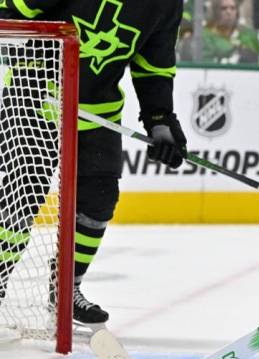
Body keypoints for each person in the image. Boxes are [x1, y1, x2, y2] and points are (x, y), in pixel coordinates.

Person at [0, 0, 188, 326]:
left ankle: (66, 287)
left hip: (98, 112)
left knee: (99, 201)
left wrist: (159, 119)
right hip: (36, 96)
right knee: (21, 196)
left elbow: (153, 65)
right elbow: (15, 9)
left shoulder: (166, 3)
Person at [200, 0, 259, 65]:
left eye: (233, 8)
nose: (229, 12)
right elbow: (205, 62)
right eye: (223, 8)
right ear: (216, 12)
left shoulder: (248, 34)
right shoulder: (206, 34)